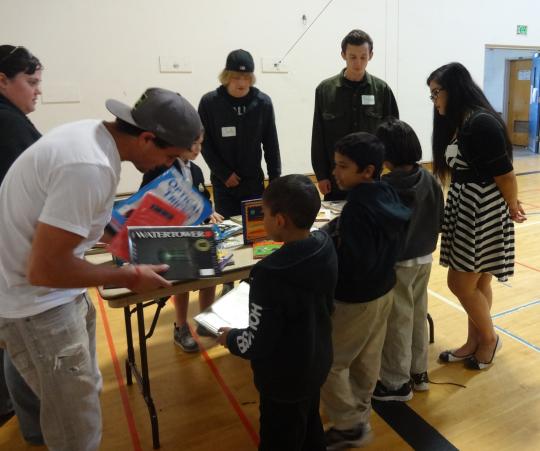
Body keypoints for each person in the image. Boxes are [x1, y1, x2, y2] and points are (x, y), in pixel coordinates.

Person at [0, 87, 203, 450]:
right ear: (146, 138)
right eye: (168, 155)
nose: (165, 166)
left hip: (53, 294)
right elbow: (44, 269)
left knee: (81, 396)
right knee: (75, 427)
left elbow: (86, 221)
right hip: (38, 303)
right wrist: (126, 275)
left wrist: (127, 238)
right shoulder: (88, 167)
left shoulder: (94, 138)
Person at [217, 174, 338, 451]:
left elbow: (257, 342)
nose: (264, 219)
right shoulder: (324, 243)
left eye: (265, 213)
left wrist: (230, 338)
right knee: (309, 425)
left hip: (283, 379)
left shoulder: (269, 273)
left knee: (279, 438)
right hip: (317, 361)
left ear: (280, 220)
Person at [426, 62, 526, 370]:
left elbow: (505, 174)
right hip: (467, 205)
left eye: (436, 93)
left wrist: (511, 205)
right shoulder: (462, 121)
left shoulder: (481, 122)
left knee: (460, 282)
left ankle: (489, 338)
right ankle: (475, 342)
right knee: (479, 282)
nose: (435, 101)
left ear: (453, 90)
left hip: (481, 209)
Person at [321, 132, 410, 449]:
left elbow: (353, 261)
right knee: (365, 362)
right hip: (384, 291)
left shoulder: (358, 208)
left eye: (343, 166)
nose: (335, 172)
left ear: (368, 171)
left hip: (356, 299)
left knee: (328, 363)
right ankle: (359, 416)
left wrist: (329, 244)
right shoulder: (386, 193)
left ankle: (348, 425)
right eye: (336, 165)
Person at [371, 118, 444, 402]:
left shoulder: (386, 186)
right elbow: (439, 218)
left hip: (397, 264)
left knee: (398, 322)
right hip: (424, 258)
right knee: (416, 315)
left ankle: (395, 383)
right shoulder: (429, 178)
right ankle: (418, 372)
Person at [141, 134, 224, 352]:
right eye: (192, 143)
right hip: (170, 235)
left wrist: (210, 211)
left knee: (209, 274)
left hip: (195, 234)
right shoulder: (159, 167)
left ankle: (206, 320)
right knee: (182, 282)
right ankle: (180, 326)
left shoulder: (195, 170)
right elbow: (144, 198)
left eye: (200, 144)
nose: (197, 149)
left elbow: (203, 197)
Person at [0, 44, 43, 445]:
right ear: (2, 80)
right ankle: (34, 426)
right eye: (30, 82)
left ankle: (16, 411)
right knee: (24, 339)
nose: (38, 91)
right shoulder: (8, 124)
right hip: (16, 252)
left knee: (15, 337)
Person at [311, 29, 399, 201]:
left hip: (370, 177)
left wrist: (389, 169)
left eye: (363, 57)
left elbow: (392, 134)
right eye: (352, 57)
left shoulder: (382, 90)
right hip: (336, 178)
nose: (358, 63)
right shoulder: (325, 90)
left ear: (371, 55)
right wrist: (321, 175)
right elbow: (318, 135)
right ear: (343, 55)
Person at [199, 49, 282, 218]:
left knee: (257, 232)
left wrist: (275, 180)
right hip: (224, 184)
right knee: (228, 235)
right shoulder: (209, 103)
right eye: (236, 77)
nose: (242, 83)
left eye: (246, 77)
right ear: (227, 76)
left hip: (253, 183)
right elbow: (204, 143)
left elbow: (271, 143)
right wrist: (223, 173)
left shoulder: (262, 103)